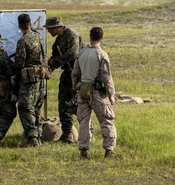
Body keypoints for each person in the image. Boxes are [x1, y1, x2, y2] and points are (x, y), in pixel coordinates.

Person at [71, 26, 119, 159]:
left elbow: (75, 73)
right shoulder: (102, 55)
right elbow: (106, 76)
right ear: (101, 38)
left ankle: (83, 151)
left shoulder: (81, 53)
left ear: (90, 37)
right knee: (107, 120)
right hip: (98, 92)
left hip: (82, 91)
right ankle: (109, 150)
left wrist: (76, 88)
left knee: (84, 122)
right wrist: (111, 95)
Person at [45, 15, 82, 143]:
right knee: (63, 103)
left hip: (78, 75)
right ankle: (67, 134)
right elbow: (54, 57)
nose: (48, 32)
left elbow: (73, 53)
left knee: (79, 104)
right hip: (67, 74)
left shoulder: (72, 34)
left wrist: (53, 62)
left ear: (57, 27)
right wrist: (47, 68)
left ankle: (87, 133)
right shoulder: (58, 40)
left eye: (49, 29)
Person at [14, 12, 47, 147]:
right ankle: (38, 136)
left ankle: (32, 138)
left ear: (19, 26)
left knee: (25, 108)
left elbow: (19, 64)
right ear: (30, 23)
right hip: (41, 77)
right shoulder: (39, 37)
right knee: (37, 107)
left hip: (29, 79)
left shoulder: (23, 41)